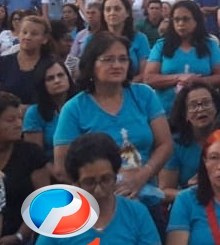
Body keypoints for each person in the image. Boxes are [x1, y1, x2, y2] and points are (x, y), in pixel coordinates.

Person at [53, 32, 173, 204]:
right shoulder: (74, 109)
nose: (117, 65)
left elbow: (165, 144)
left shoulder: (144, 95)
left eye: (123, 59)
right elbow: (62, 167)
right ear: (91, 64)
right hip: (97, 202)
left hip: (145, 194)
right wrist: (105, 188)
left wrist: (142, 175)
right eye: (108, 59)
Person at [29, 132, 164, 245]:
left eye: (106, 179)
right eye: (89, 182)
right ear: (75, 183)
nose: (99, 190)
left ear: (116, 174)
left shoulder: (137, 214)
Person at [144, 0, 220, 114]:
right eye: (176, 20)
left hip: (202, 112)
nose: (181, 24)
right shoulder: (162, 45)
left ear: (196, 21)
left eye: (186, 19)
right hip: (167, 112)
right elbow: (149, 78)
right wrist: (178, 78)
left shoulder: (210, 45)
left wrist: (199, 81)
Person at [0, 92, 50, 245]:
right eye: (10, 120)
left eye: (20, 118)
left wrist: (19, 236)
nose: (19, 125)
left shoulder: (31, 154)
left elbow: (43, 203)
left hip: (25, 238)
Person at [160, 82, 220, 203]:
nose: (200, 109)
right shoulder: (175, 145)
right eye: (193, 105)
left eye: (206, 103)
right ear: (184, 113)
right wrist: (193, 193)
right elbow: (164, 191)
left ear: (217, 107)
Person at [23, 57, 78, 164]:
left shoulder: (82, 105)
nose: (57, 81)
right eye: (50, 78)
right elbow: (37, 158)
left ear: (68, 78)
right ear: (42, 84)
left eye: (61, 75)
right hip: (51, 173)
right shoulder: (34, 113)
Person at [95, 0, 151, 82]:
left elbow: (144, 73)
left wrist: (124, 87)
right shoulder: (93, 39)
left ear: (127, 13)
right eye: (108, 9)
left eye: (117, 9)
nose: (112, 13)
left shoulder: (140, 39)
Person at [0, 15, 55, 105]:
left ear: (44, 39)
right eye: (24, 32)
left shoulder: (51, 65)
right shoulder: (3, 63)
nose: (27, 37)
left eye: (34, 34)